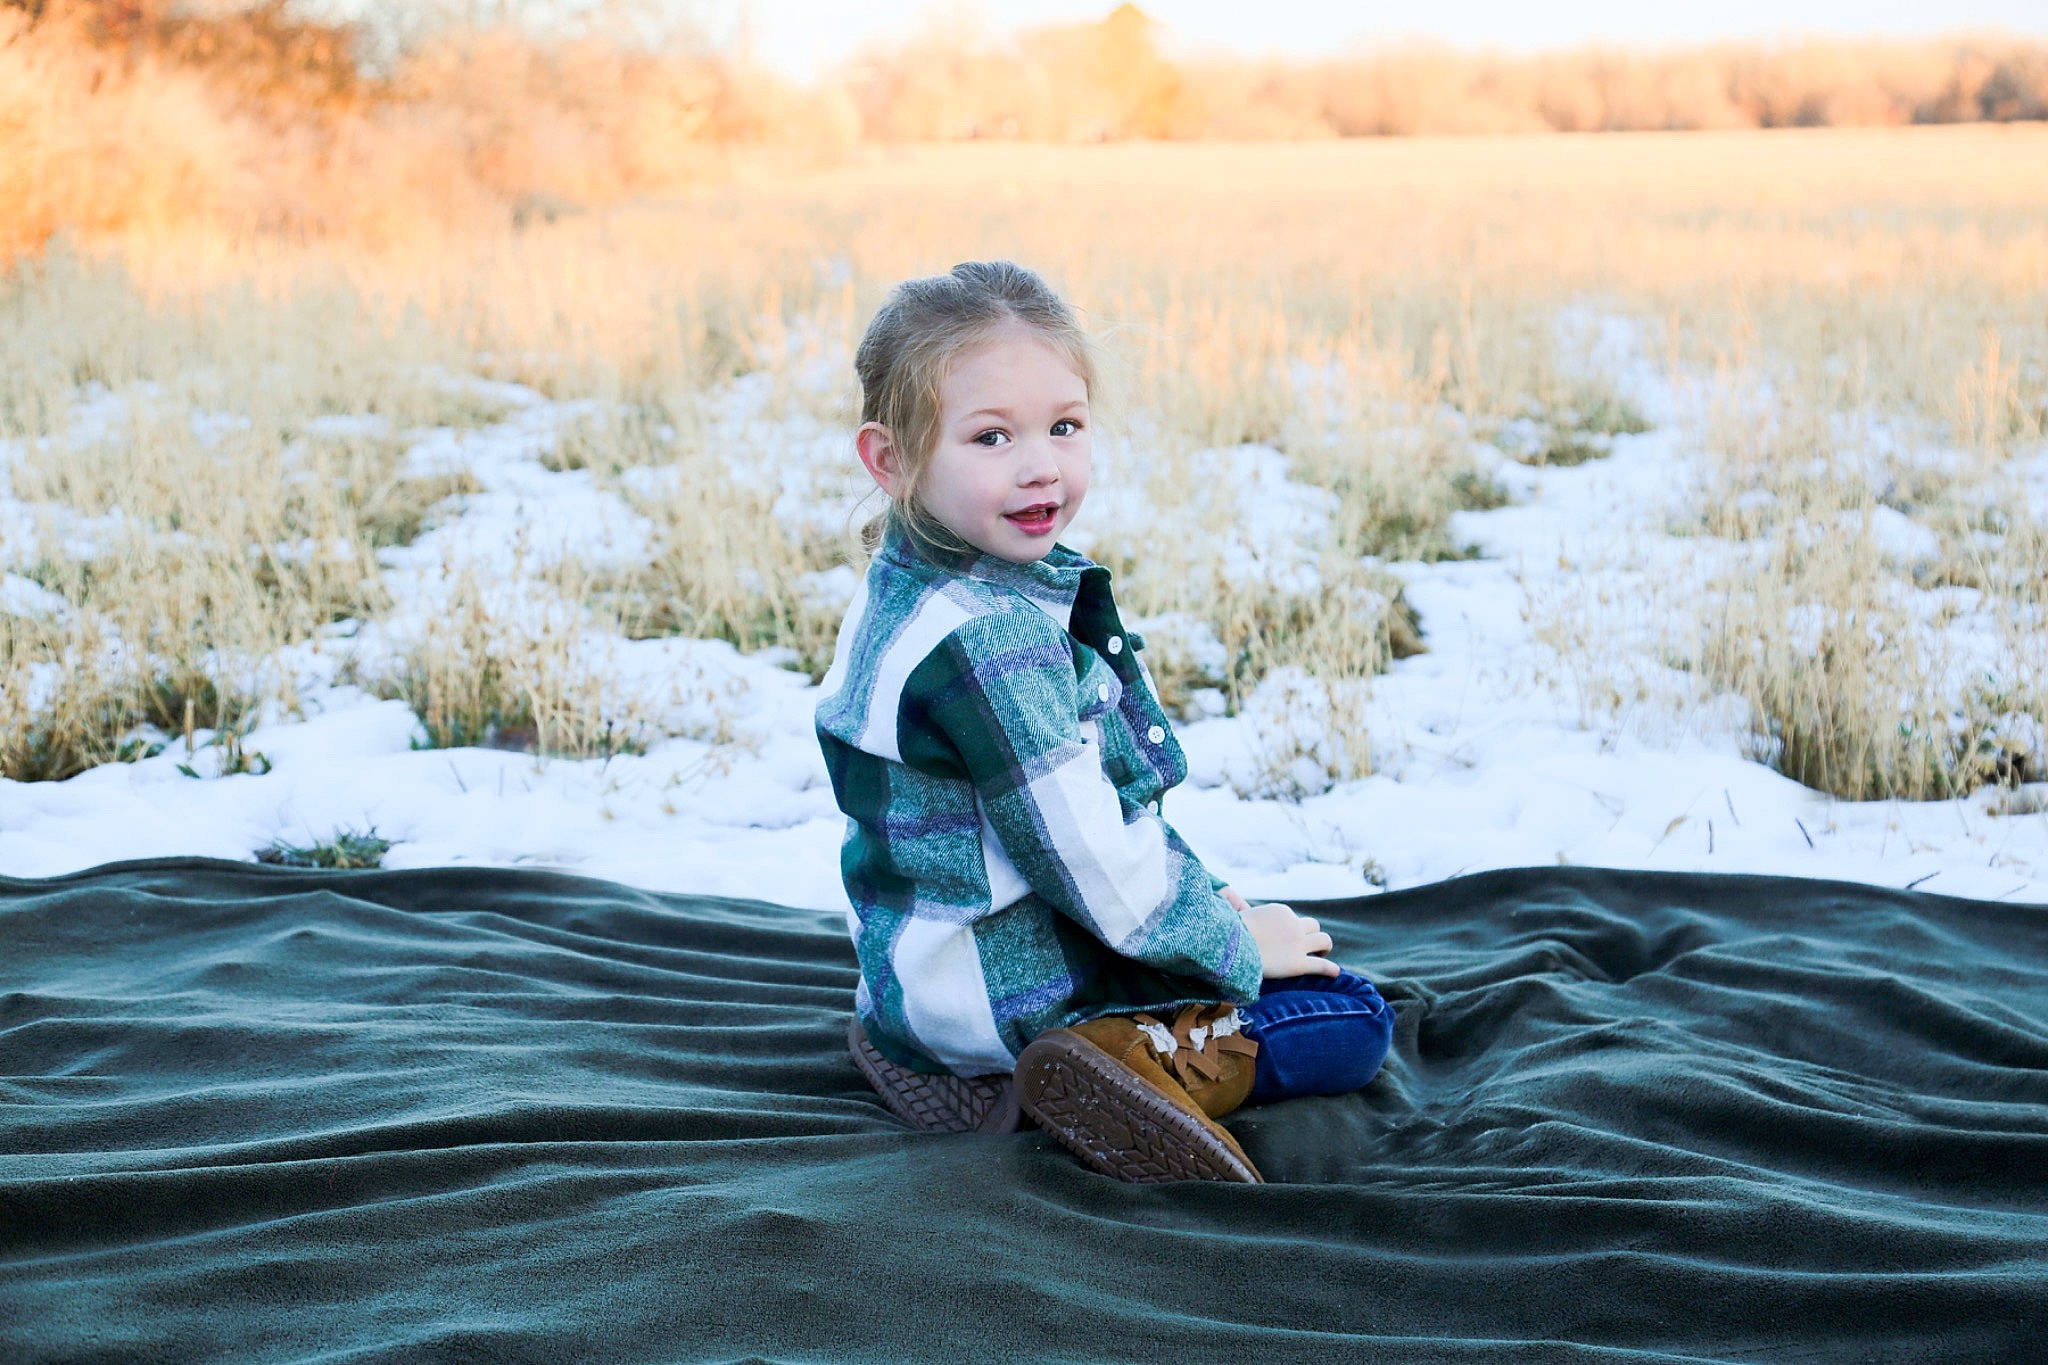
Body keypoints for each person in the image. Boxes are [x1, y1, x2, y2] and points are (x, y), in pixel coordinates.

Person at [815, 260, 1393, 1183]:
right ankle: (1116, 1062)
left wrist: (1204, 905)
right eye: (992, 436)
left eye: (1065, 426)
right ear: (891, 460)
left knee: (1230, 927)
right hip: (1011, 989)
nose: (1041, 464)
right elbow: (1085, 855)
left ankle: (932, 1050)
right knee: (1351, 1017)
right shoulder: (992, 640)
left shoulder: (905, 586)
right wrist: (1236, 946)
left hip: (916, 981)